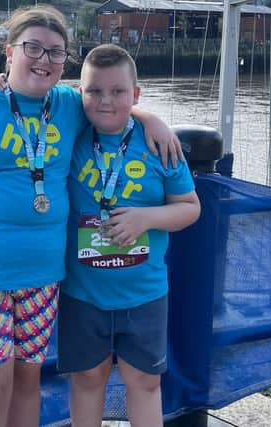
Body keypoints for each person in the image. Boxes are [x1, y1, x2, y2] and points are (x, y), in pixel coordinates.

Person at [0, 6, 181, 427]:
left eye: (56, 53)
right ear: (9, 52)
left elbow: (108, 101)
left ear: (65, 65)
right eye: (33, 48)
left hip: (43, 277)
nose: (43, 59)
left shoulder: (66, 105)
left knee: (28, 384)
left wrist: (151, 118)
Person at [57, 44, 201, 427]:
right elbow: (33, 94)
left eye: (119, 92)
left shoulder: (161, 146)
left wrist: (146, 218)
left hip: (144, 292)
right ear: (80, 93)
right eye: (95, 91)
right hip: (82, 291)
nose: (106, 101)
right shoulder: (68, 134)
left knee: (144, 381)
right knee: (88, 379)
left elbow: (190, 207)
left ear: (135, 94)